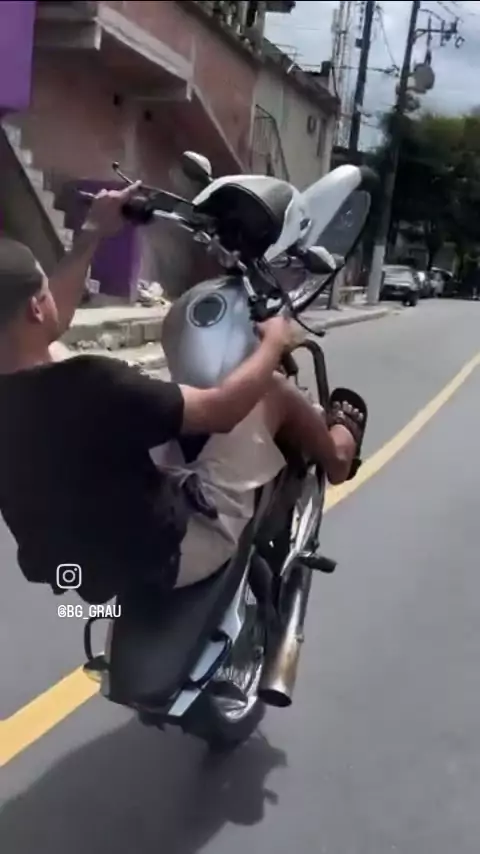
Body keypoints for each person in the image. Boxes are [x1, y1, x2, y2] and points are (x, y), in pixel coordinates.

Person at [0, 184, 365, 605]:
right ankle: (336, 458)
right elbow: (220, 411)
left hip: (82, 566)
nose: (53, 298)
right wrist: (273, 344)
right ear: (34, 309)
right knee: (270, 389)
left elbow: (52, 323)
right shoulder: (91, 385)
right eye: (45, 290)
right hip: (169, 553)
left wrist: (93, 233)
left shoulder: (31, 381)